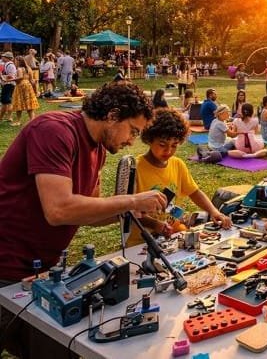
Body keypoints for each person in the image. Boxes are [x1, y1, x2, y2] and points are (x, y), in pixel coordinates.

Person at [0, 82, 165, 357]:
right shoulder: (54, 130)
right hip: (5, 263)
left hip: (39, 268)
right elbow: (59, 210)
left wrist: (127, 213)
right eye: (133, 131)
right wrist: (131, 200)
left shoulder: (97, 149)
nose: (131, 141)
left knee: (53, 347)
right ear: (112, 116)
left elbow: (88, 213)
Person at [130, 108, 232, 244]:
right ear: (149, 139)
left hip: (172, 237)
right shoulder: (135, 168)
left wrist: (214, 212)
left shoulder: (177, 164)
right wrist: (155, 224)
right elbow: (128, 212)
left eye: (174, 145)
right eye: (162, 144)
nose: (168, 150)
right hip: (141, 242)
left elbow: (195, 192)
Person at [9, 56, 39, 126]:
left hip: (20, 86)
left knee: (18, 103)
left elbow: (20, 77)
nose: (14, 62)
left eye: (15, 61)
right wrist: (35, 90)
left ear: (19, 61)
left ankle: (18, 121)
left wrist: (10, 79)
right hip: (28, 86)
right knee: (29, 104)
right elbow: (32, 80)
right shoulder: (28, 68)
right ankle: (32, 120)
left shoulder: (19, 69)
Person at [0, 52, 17, 121]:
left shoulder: (10, 65)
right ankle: (9, 117)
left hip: (8, 84)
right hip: (9, 84)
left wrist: (2, 76)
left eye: (3, 56)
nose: (2, 57)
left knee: (4, 102)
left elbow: (12, 76)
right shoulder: (7, 64)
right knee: (9, 102)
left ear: (7, 58)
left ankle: (0, 118)